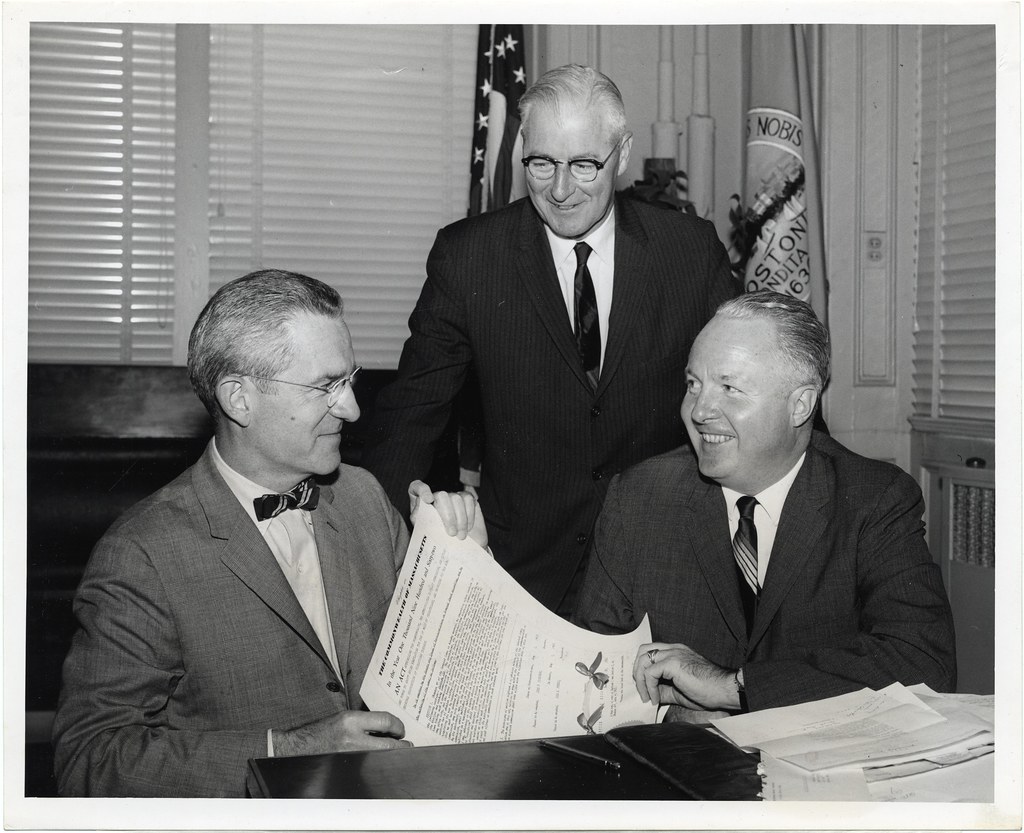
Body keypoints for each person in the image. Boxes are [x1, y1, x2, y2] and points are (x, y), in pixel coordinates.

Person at [51, 270, 486, 797]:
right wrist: (287, 752)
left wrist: (461, 559)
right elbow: (88, 761)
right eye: (327, 386)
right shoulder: (143, 554)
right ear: (239, 399)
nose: (352, 407)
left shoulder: (363, 497)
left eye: (350, 380)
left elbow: (440, 669)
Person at [362, 64, 736, 617]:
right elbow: (410, 418)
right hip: (523, 575)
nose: (560, 191)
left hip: (663, 570)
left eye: (584, 165)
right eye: (541, 164)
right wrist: (370, 545)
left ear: (623, 154)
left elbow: (754, 388)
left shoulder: (689, 250)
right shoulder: (469, 258)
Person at [574, 290, 956, 719]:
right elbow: (588, 670)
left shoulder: (873, 499)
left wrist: (732, 689)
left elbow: (924, 664)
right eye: (693, 384)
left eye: (729, 388)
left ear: (800, 405)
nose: (699, 411)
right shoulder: (640, 496)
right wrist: (670, 715)